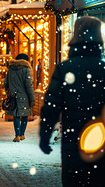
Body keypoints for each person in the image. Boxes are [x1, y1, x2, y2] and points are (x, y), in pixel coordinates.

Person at [39, 16, 105, 186]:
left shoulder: (65, 68)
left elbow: (51, 107)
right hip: (101, 139)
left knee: (74, 180)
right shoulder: (103, 69)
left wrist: (45, 137)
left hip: (73, 140)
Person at [4, 53, 35, 142]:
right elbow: (29, 85)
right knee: (24, 115)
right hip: (24, 96)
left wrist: (9, 92)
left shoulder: (10, 69)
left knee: (16, 115)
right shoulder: (26, 69)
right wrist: (32, 98)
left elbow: (6, 83)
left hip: (13, 96)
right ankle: (22, 134)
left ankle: (17, 135)